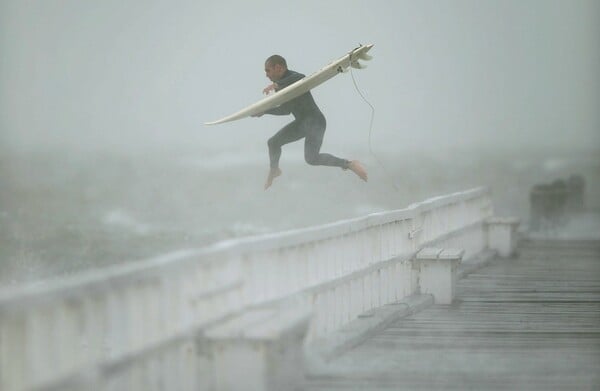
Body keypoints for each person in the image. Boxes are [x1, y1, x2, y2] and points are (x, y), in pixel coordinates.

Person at [253, 54, 368, 190]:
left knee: (311, 158)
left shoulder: (293, 77)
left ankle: (349, 164)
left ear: (278, 68)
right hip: (302, 123)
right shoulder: (280, 87)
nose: (266, 75)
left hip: (315, 122)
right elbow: (285, 110)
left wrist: (277, 85)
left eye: (268, 70)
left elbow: (301, 78)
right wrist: (265, 111)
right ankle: (274, 170)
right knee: (273, 143)